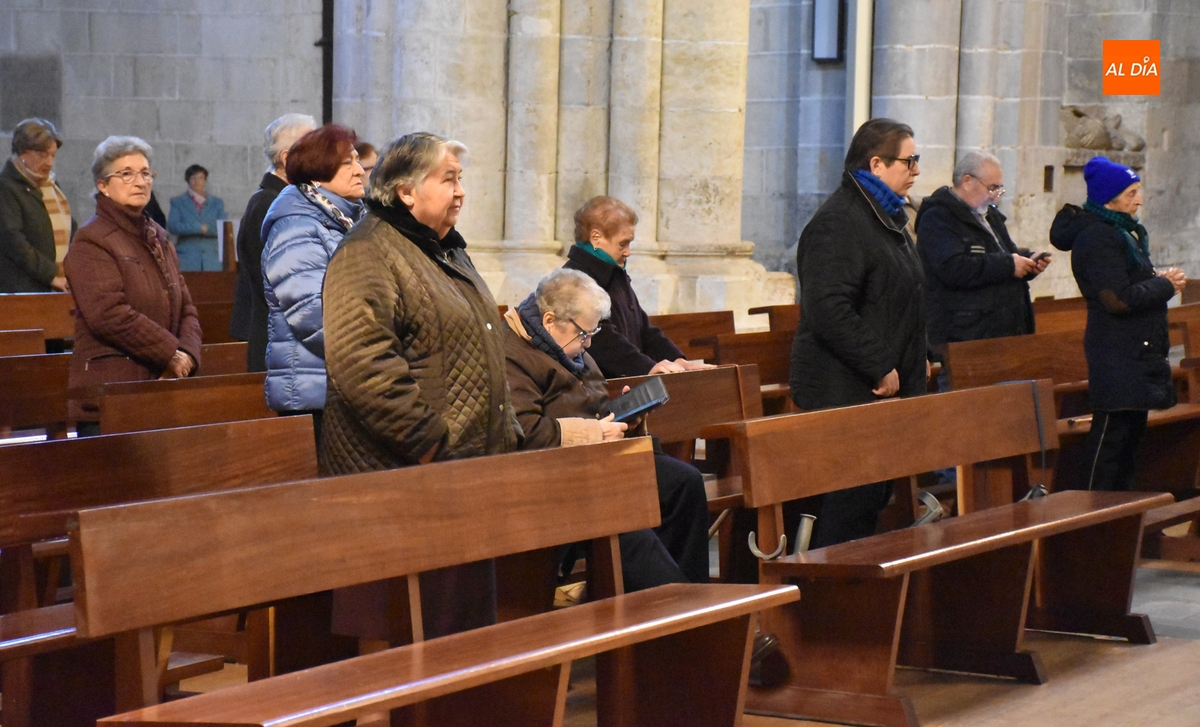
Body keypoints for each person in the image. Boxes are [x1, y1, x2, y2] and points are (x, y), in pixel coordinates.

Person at [320, 132, 518, 639]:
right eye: (448, 179)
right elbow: (362, 363)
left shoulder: (444, 250)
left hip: (460, 470)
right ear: (406, 191)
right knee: (422, 639)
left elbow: (480, 343)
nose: (460, 191)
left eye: (461, 179)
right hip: (405, 473)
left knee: (463, 634)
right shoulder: (368, 252)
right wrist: (430, 442)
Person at [503, 268, 710, 588]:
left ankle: (690, 599)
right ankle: (685, 615)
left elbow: (593, 406)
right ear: (548, 321)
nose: (587, 344)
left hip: (599, 460)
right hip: (556, 479)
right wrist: (596, 434)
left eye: (592, 334)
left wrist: (623, 417)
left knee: (685, 483)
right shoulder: (512, 354)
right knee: (627, 521)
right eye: (583, 334)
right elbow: (527, 432)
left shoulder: (569, 348)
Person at [789, 117, 927, 547]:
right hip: (845, 388)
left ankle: (854, 604)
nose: (917, 170)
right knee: (846, 509)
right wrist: (881, 364)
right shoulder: (842, 221)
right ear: (877, 164)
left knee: (869, 503)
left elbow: (895, 297)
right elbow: (828, 308)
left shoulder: (883, 218)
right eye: (910, 160)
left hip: (872, 390)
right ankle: (828, 603)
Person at [1049, 157, 1187, 491]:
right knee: (1110, 445)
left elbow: (1128, 282)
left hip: (1136, 353)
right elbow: (1117, 299)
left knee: (1128, 448)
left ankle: (1119, 526)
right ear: (1109, 199)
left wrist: (1156, 278)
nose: (1138, 199)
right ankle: (1090, 523)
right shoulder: (1097, 237)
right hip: (1117, 354)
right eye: (1131, 193)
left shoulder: (1121, 232)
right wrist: (1166, 286)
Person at [64, 136, 202, 436]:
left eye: (145, 172)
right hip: (113, 391)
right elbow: (108, 313)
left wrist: (187, 355)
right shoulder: (92, 240)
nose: (139, 181)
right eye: (126, 173)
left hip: (162, 386)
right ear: (102, 185)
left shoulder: (158, 237)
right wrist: (170, 353)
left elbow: (187, 307)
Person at [260, 124, 366, 445]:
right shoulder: (296, 224)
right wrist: (374, 354)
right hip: (313, 395)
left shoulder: (349, 220)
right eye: (347, 163)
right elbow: (311, 312)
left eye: (358, 160)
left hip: (346, 385)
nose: (360, 170)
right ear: (317, 174)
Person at [917, 150, 1051, 362]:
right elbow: (953, 268)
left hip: (1005, 333)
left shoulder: (990, 215)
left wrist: (1027, 261)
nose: (995, 195)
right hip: (967, 337)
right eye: (992, 187)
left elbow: (1005, 253)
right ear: (967, 181)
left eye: (999, 188)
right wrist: (1009, 265)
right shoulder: (938, 218)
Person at [563, 195, 712, 378]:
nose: (628, 252)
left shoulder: (614, 274)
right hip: (601, 387)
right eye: (622, 244)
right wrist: (646, 368)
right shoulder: (575, 279)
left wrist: (676, 360)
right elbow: (601, 340)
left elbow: (644, 329)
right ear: (596, 238)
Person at [229, 113, 317, 367]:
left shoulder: (291, 201)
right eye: (312, 148)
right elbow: (280, 287)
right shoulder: (268, 205)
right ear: (287, 158)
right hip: (279, 348)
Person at [0, 118, 73, 293]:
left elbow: (69, 226)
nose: (49, 162)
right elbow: (13, 240)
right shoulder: (6, 186)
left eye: (52, 155)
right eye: (42, 155)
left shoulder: (50, 186)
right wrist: (50, 275)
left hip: (54, 285)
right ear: (23, 153)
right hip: (21, 289)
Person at [167, 164, 227, 271]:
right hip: (187, 258)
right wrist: (198, 228)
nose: (197, 181)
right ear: (188, 180)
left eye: (200, 178)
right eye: (193, 178)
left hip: (211, 259)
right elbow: (173, 226)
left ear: (205, 180)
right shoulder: (178, 202)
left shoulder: (217, 203)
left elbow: (223, 226)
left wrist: (207, 229)